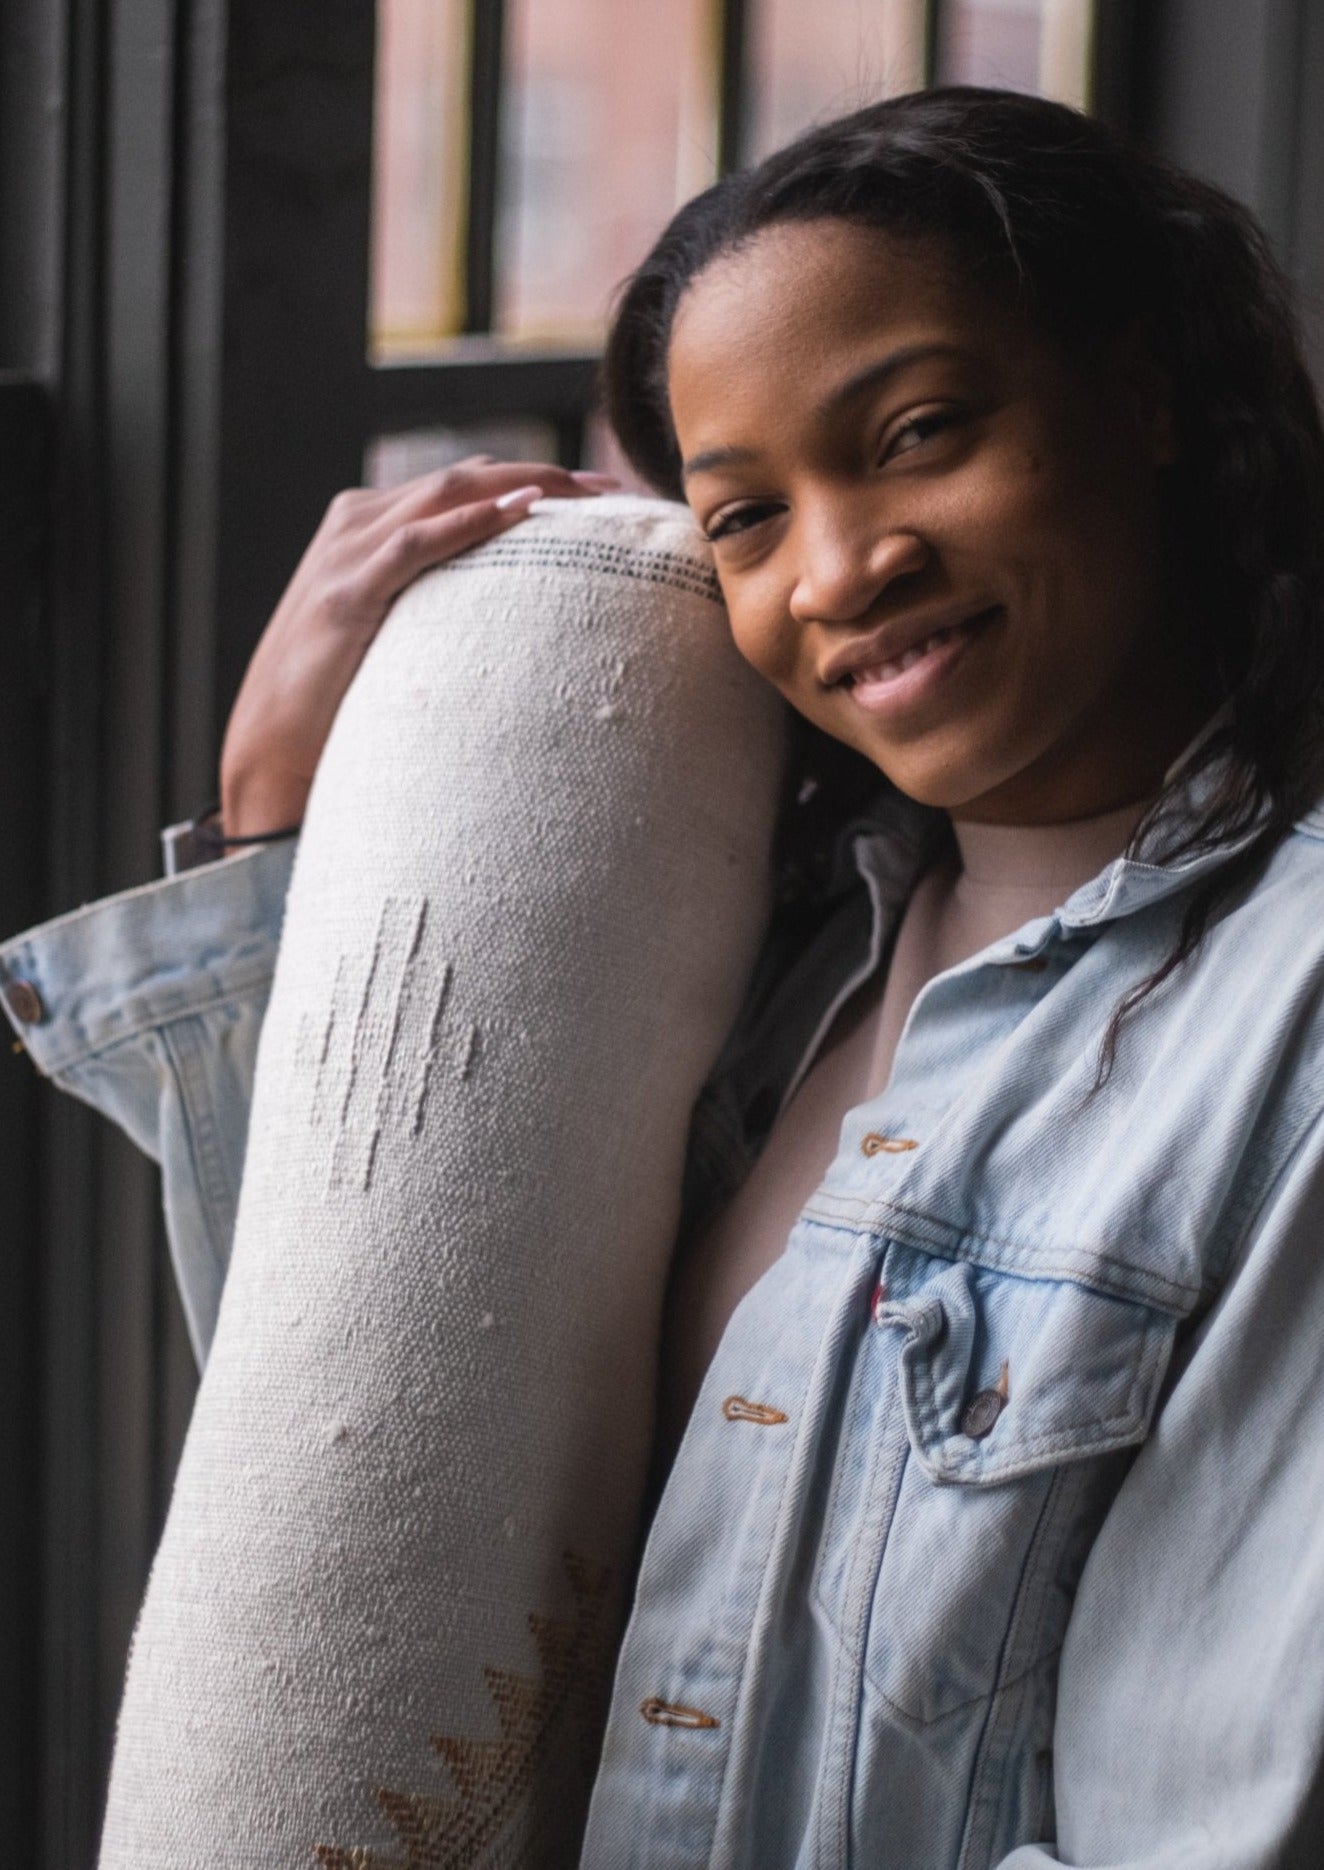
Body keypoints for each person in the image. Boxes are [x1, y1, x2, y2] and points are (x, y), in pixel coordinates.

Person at [6, 84, 1324, 1866]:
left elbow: (1202, 1827)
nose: (844, 569)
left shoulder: (1284, 1019)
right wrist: (273, 826)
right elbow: (370, 1448)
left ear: (1147, 391)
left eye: (920, 430)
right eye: (745, 519)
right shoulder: (759, 952)